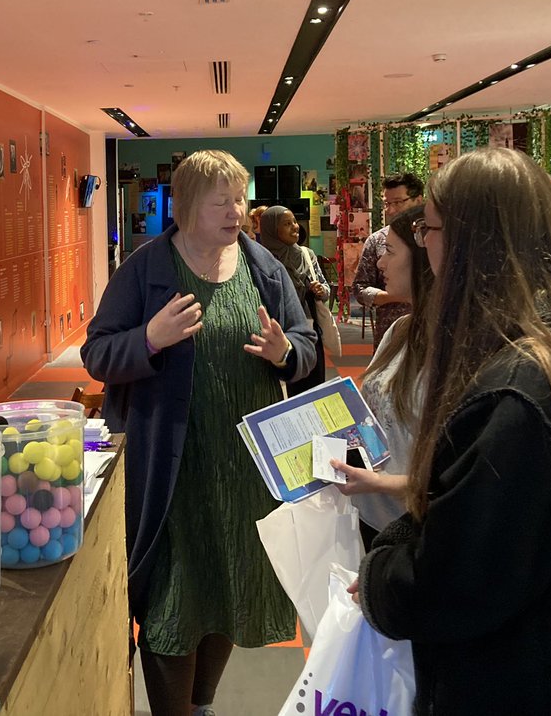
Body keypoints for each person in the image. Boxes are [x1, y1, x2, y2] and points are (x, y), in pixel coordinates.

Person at [356, 148, 551, 714]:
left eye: (427, 229)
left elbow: (450, 585)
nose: (422, 245)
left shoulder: (522, 392)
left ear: (469, 242)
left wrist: (381, 568)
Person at [81, 150, 315, 716]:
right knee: (172, 604)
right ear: (186, 207)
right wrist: (150, 340)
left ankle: (202, 705)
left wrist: (287, 352)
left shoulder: (264, 267)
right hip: (170, 469)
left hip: (245, 471)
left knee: (228, 590)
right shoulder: (145, 269)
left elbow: (306, 344)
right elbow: (97, 352)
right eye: (222, 201)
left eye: (241, 198)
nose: (237, 211)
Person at [330, 205, 430, 547]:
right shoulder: (400, 330)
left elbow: (457, 475)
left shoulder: (459, 349)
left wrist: (383, 483)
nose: (380, 263)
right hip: (370, 516)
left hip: (416, 531)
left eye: (389, 252)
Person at [259, 205, 328, 396]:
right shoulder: (262, 260)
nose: (295, 227)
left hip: (309, 328)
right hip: (278, 331)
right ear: (272, 229)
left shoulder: (306, 255)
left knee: (314, 385)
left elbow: (325, 288)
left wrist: (321, 290)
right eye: (287, 224)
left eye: (295, 222)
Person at [353, 172, 423, 347]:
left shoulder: (435, 237)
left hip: (430, 332)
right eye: (386, 203)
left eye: (398, 202)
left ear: (419, 200)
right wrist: (392, 296)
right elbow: (360, 288)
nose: (391, 210)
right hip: (390, 332)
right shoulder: (377, 240)